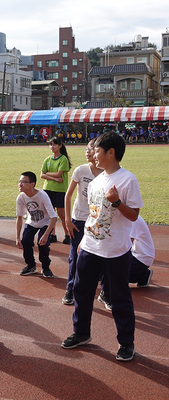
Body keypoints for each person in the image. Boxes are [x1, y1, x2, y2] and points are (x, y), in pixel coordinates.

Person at [61, 132, 143, 362]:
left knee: (119, 297)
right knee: (81, 291)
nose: (92, 154)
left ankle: (126, 343)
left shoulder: (128, 179)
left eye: (96, 150)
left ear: (111, 152)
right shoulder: (96, 180)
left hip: (115, 251)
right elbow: (92, 215)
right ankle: (81, 333)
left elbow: (134, 216)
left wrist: (117, 202)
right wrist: (83, 243)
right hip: (90, 246)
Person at [62, 140, 103, 305]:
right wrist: (67, 220)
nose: (87, 151)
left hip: (97, 221)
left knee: (100, 256)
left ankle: (104, 291)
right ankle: (70, 289)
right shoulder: (81, 170)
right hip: (78, 219)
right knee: (75, 256)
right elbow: (68, 195)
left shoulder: (106, 172)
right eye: (86, 148)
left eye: (92, 148)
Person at [15, 171, 57, 278]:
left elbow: (53, 217)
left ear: (32, 184)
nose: (20, 184)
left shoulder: (42, 195)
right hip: (32, 221)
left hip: (46, 222)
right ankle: (31, 266)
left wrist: (47, 234)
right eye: (19, 181)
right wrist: (17, 237)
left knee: (42, 242)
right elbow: (19, 217)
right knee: (26, 240)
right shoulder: (21, 197)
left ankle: (45, 267)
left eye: (23, 182)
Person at [40, 137, 71, 244]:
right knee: (50, 213)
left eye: (54, 145)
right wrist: (53, 178)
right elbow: (41, 175)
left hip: (60, 190)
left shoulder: (63, 159)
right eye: (50, 144)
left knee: (62, 214)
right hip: (48, 189)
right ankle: (52, 234)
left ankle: (67, 234)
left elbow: (58, 173)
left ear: (60, 146)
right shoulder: (47, 159)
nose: (52, 147)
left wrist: (47, 174)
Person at [127, 215, 154, 287]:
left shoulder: (132, 219)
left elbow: (127, 245)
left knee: (111, 276)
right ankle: (142, 275)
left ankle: (142, 275)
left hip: (140, 258)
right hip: (134, 254)